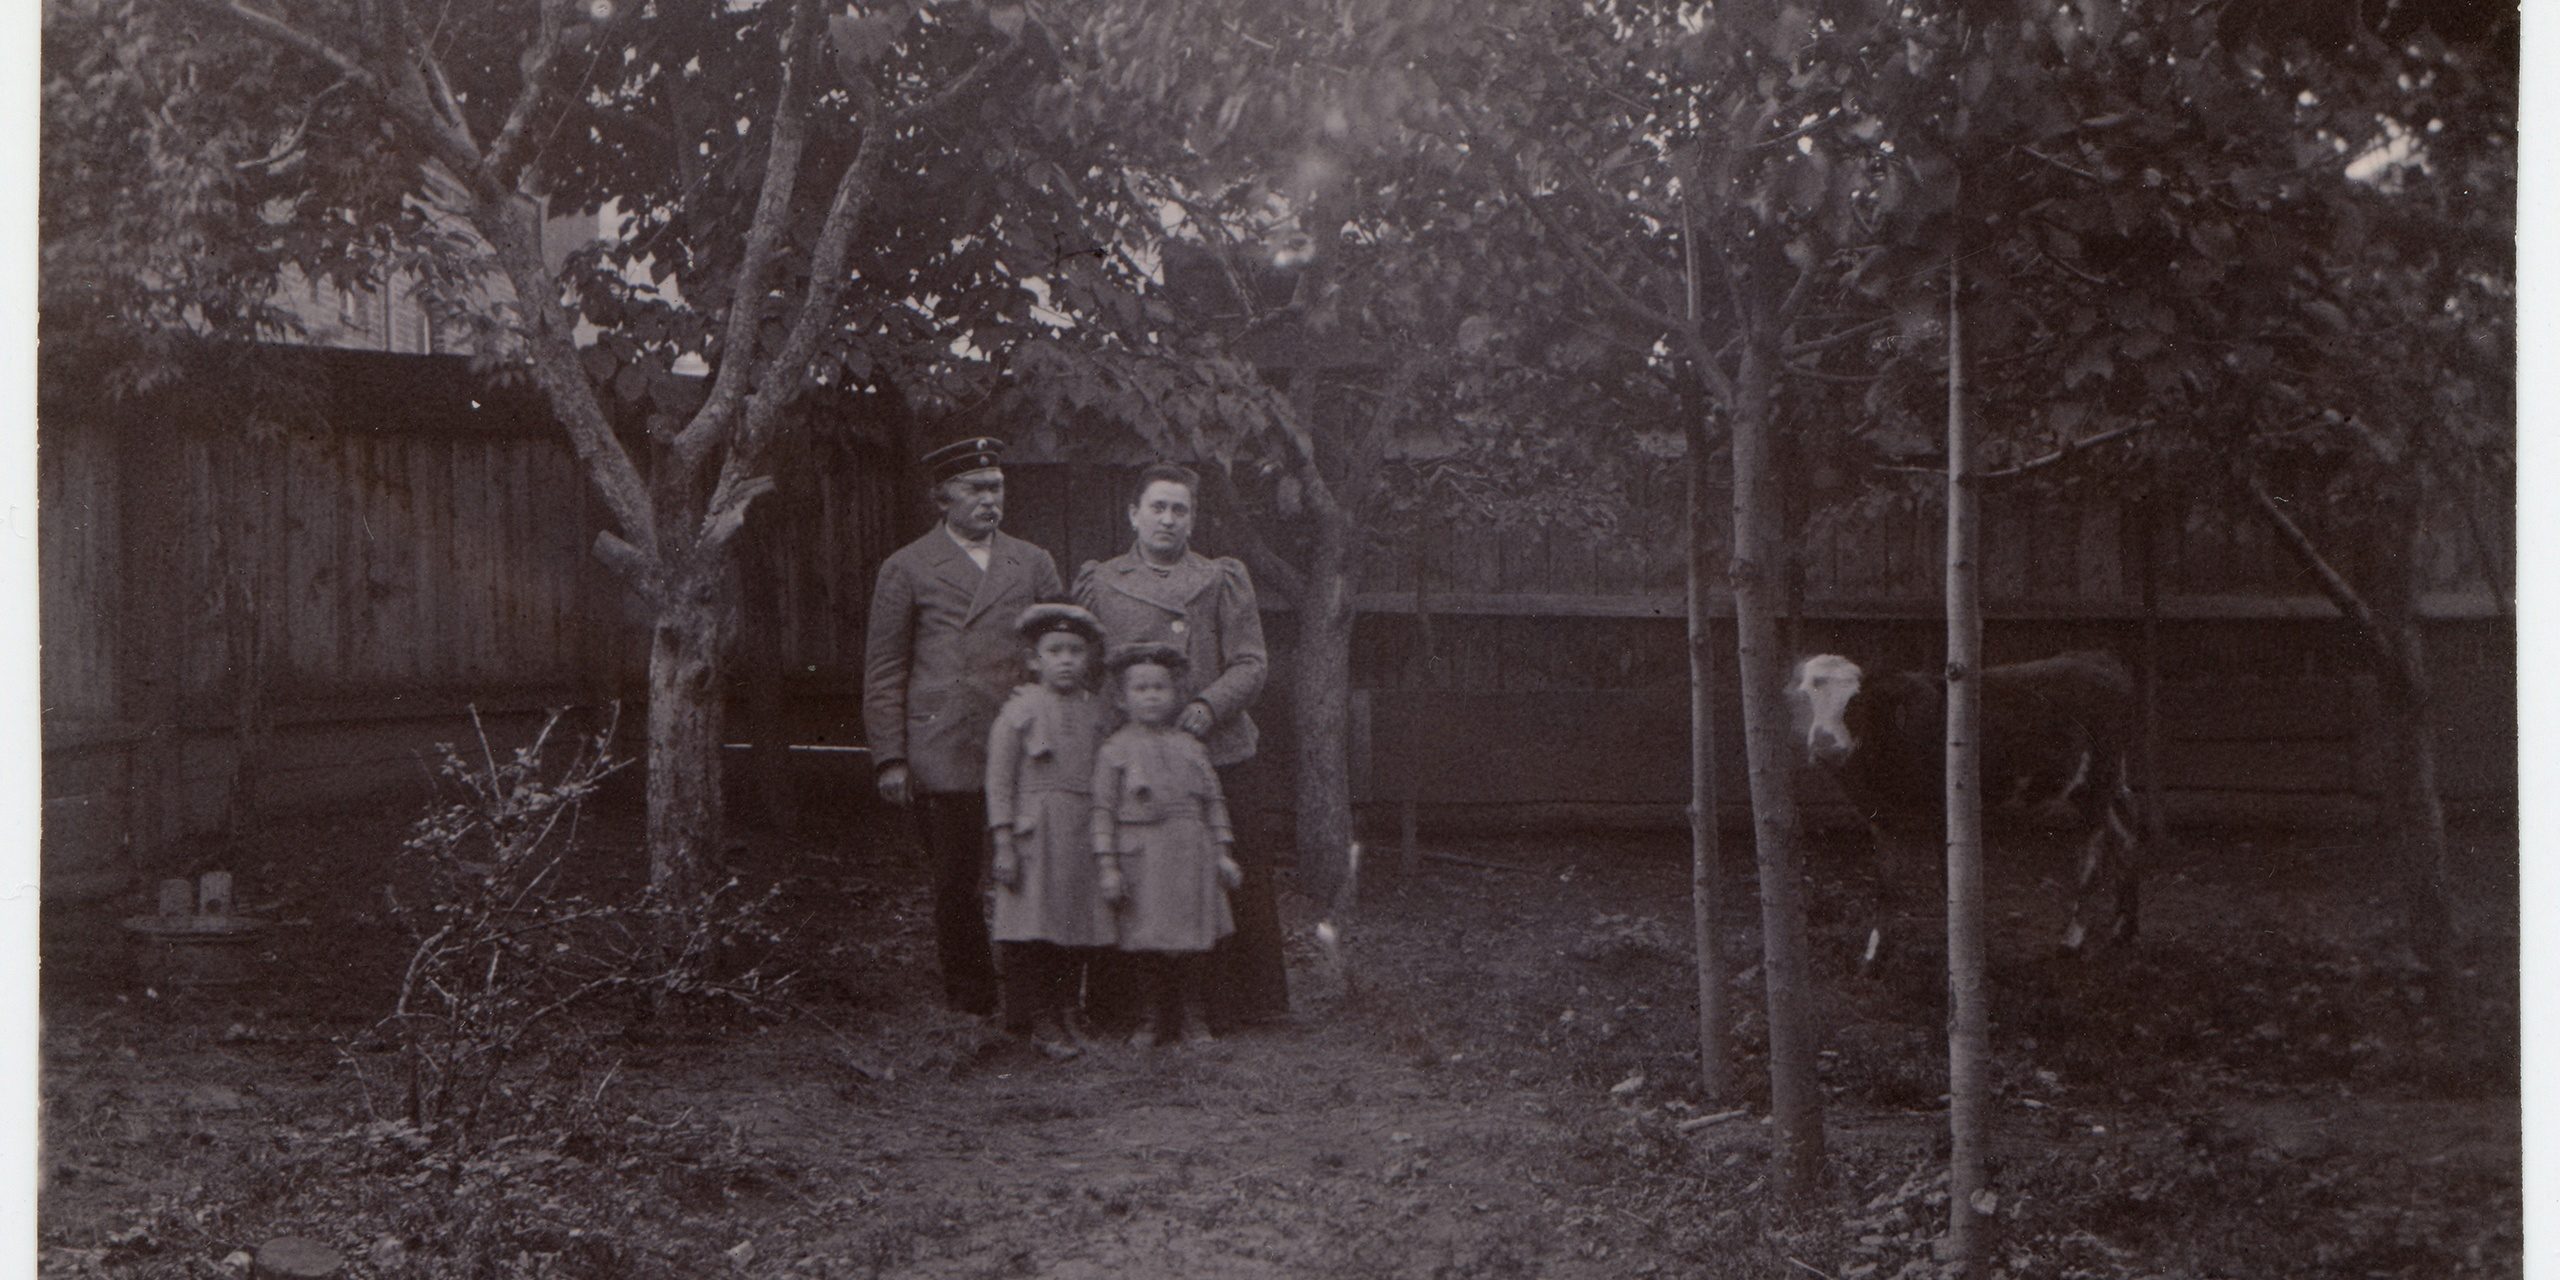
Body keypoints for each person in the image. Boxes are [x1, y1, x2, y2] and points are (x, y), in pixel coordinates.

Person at [1073, 463, 1287, 1030]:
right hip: (1134, 758)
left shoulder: (1220, 578)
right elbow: (1086, 669)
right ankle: (1129, 1009)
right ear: (1133, 514)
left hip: (1214, 750)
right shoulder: (1101, 582)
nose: (1167, 520)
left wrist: (1209, 706)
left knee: (1227, 872)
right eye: (1157, 508)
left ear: (1192, 519)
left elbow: (1251, 662)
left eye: (1180, 510)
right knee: (1135, 878)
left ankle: (1236, 1004)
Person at [862, 436, 1064, 1016]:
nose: (989, 500)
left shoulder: (1033, 562)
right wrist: (891, 756)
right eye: (974, 490)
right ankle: (971, 1000)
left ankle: (1034, 997)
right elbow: (885, 667)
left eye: (996, 488)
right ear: (942, 498)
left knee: (1030, 870)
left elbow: (1060, 648)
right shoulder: (906, 567)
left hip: (1021, 741)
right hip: (944, 742)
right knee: (955, 881)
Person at [1093, 642, 1242, 1047]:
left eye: (1159, 687)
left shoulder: (1191, 747)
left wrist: (1223, 852)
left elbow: (1213, 802)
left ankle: (1193, 1017)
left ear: (1176, 695)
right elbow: (1102, 810)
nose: (1151, 696)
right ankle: (1151, 1017)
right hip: (1142, 858)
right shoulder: (1114, 750)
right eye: (1140, 689)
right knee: (1146, 939)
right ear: (1122, 699)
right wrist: (1108, 865)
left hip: (1190, 855)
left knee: (1194, 938)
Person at [984, 603, 1113, 1058]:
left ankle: (1068, 1010)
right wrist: (1003, 841)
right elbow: (999, 782)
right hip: (1034, 836)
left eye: (1075, 651)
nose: (1066, 660)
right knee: (1033, 926)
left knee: (1075, 922)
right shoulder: (1019, 712)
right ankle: (1039, 1019)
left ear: (1089, 659)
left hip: (1080, 833)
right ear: (1034, 660)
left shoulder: (1097, 712)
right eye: (1054, 651)